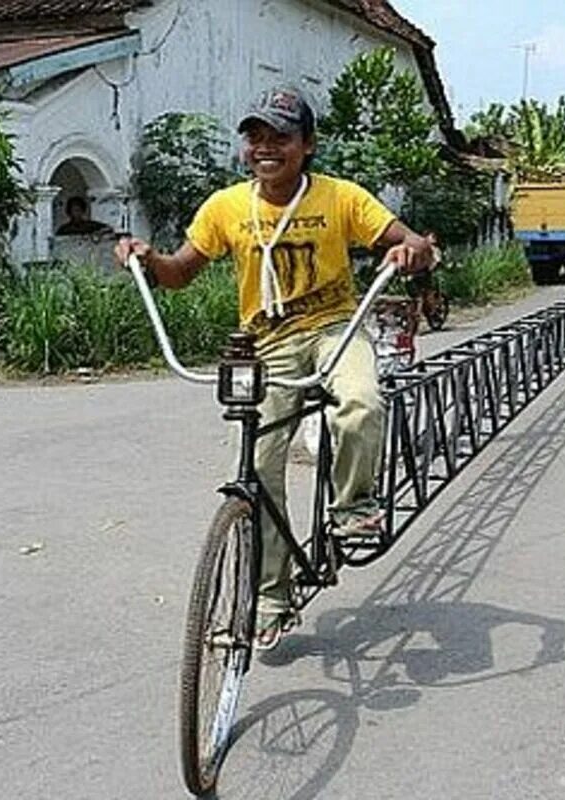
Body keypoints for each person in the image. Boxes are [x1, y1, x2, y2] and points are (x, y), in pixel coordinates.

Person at [113, 86, 436, 649]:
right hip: (267, 341)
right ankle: (270, 595)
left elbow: (414, 244)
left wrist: (410, 252)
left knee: (361, 403)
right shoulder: (226, 207)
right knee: (259, 472)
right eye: (255, 137)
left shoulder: (342, 198)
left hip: (335, 327)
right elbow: (180, 271)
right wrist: (147, 259)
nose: (266, 147)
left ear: (307, 145)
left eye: (280, 137)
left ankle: (354, 507)